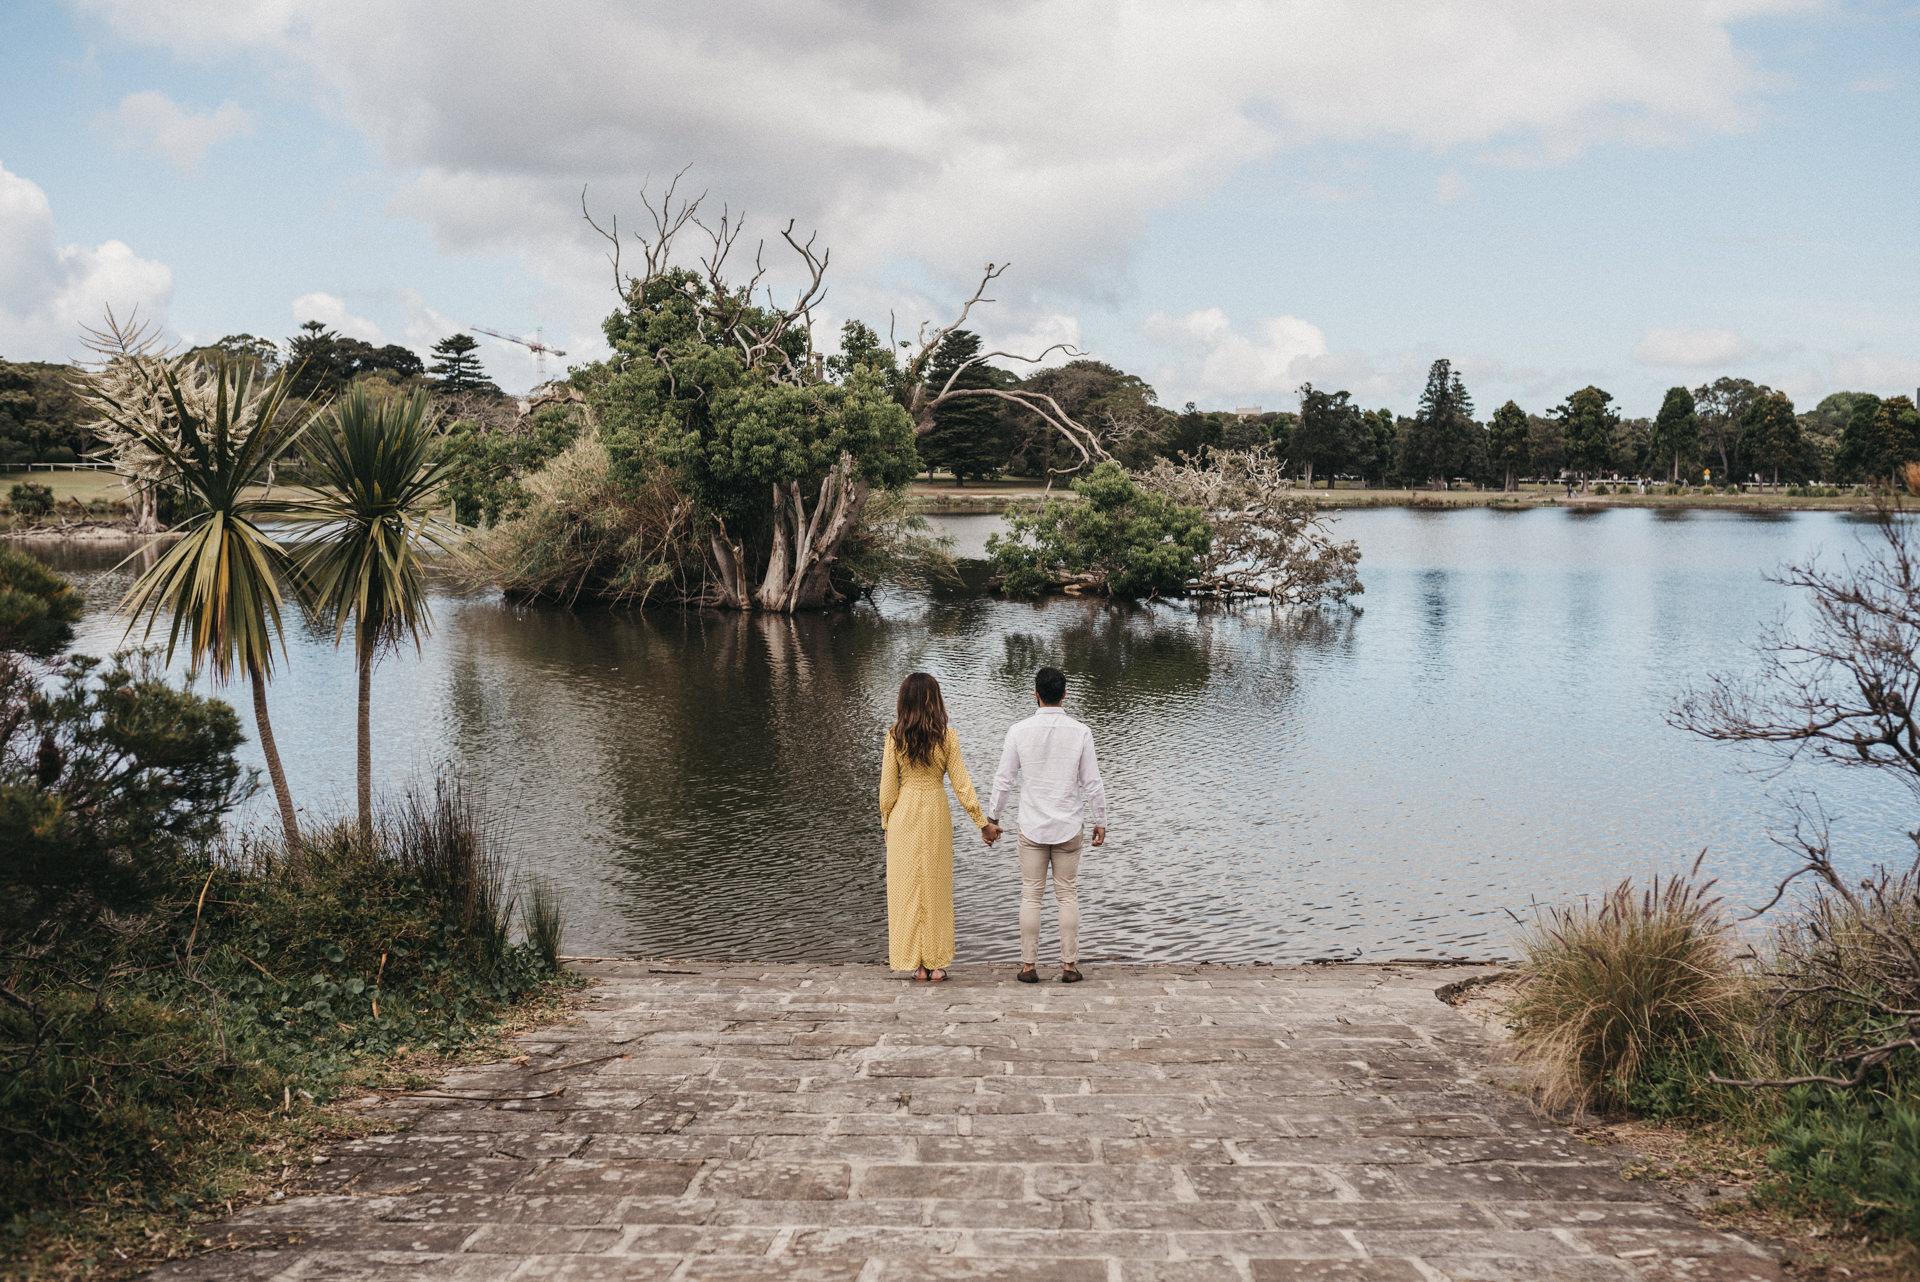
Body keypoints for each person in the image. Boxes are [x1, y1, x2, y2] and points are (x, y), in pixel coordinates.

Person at [984, 666, 1107, 984]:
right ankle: (1069, 967)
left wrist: (993, 819)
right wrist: (1101, 820)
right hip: (1069, 825)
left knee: (1031, 894)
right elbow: (1092, 783)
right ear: (1064, 694)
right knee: (1067, 894)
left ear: (1035, 693)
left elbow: (1004, 780)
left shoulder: (1018, 731)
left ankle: (1028, 967)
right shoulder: (1080, 732)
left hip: (1032, 825)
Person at [879, 672, 992, 982]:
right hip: (935, 814)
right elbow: (962, 785)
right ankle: (936, 964)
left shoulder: (894, 736)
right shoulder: (947, 736)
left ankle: (916, 964)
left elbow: (887, 789)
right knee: (936, 887)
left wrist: (886, 821)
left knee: (906, 888)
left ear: (904, 701)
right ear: (935, 700)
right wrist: (981, 822)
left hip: (904, 814)